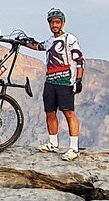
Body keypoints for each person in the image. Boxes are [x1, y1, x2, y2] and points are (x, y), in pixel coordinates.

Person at [23, 8, 85, 161]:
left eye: (57, 22)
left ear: (62, 23)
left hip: (65, 81)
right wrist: (23, 42)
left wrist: (78, 80)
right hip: (50, 81)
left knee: (68, 113)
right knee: (50, 112)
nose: (54, 25)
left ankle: (74, 148)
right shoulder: (50, 40)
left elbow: (79, 60)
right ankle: (53, 143)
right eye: (52, 23)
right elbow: (38, 46)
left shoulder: (70, 39)